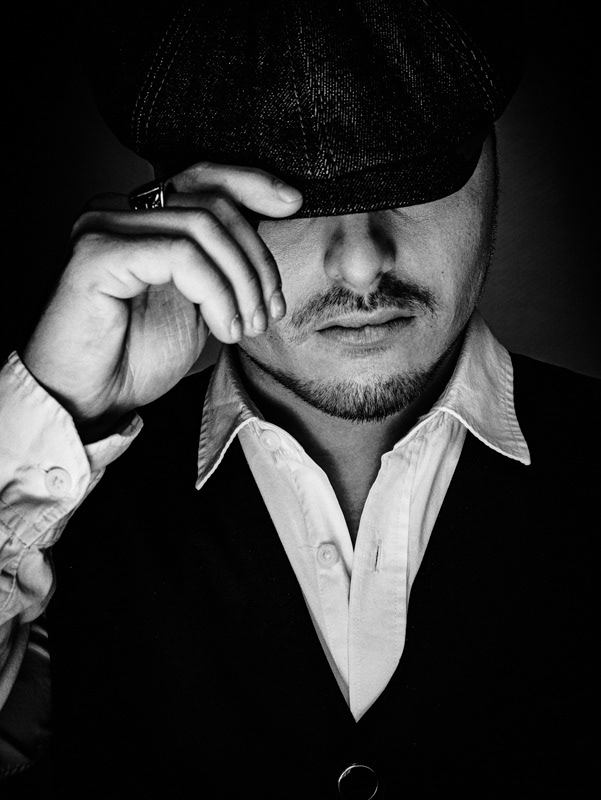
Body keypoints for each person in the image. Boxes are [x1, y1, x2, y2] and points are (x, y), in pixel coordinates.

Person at [0, 1, 597, 797]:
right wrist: (53, 412)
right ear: (178, 208)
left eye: (410, 176)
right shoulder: (47, 517)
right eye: (291, 199)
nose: (360, 264)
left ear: (489, 164)